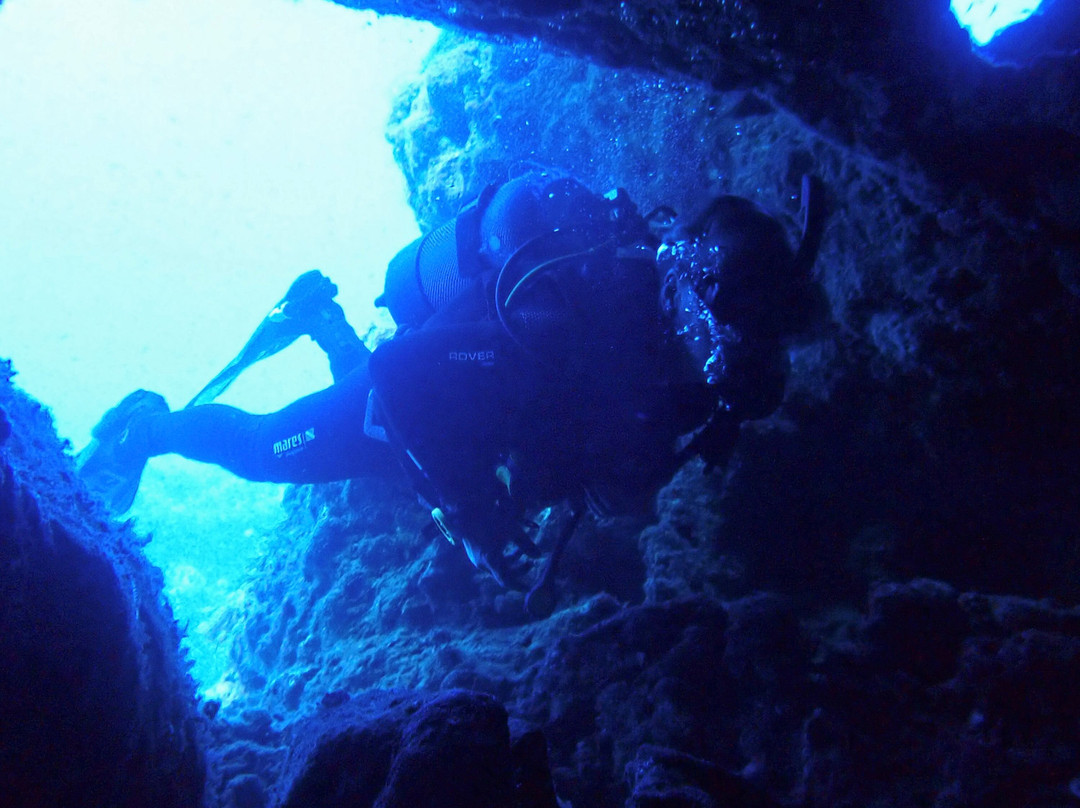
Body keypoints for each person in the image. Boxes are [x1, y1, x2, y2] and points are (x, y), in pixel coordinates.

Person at [77, 166, 826, 610]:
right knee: (269, 447)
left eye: (736, 345)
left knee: (389, 451)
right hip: (407, 409)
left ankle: (323, 320)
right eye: (718, 330)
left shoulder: (684, 367)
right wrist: (474, 513)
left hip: (458, 424)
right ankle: (152, 427)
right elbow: (404, 375)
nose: (717, 355)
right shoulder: (562, 320)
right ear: (690, 294)